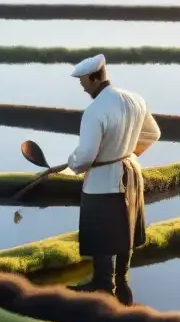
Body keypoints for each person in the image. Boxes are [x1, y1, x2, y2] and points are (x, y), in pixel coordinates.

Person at [65, 53, 161, 299]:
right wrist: (127, 151)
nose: (81, 85)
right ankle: (122, 281)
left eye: (83, 80)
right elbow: (153, 133)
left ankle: (103, 285)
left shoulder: (94, 111)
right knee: (124, 228)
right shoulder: (135, 99)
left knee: (103, 232)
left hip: (104, 179)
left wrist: (71, 163)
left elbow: (85, 155)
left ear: (94, 78)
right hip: (131, 172)